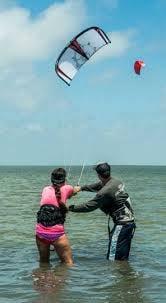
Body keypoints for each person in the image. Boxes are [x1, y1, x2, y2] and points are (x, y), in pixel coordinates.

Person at [69, 163, 136, 261]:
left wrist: (69, 208)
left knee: (113, 259)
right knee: (122, 258)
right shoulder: (116, 182)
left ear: (98, 175)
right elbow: (99, 185)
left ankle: (116, 275)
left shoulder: (105, 191)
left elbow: (89, 206)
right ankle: (125, 274)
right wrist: (81, 188)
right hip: (129, 224)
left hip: (122, 225)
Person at [35, 168, 76, 265]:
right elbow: (74, 191)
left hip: (40, 233)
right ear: (64, 179)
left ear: (51, 179)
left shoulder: (45, 189)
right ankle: (64, 279)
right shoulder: (67, 188)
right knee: (68, 264)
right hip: (57, 235)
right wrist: (77, 189)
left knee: (44, 263)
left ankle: (42, 279)